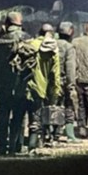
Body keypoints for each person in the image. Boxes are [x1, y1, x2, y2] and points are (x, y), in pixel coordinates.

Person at [0, 12, 30, 155]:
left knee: (3, 115)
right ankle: (15, 146)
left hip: (2, 84)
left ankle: (2, 146)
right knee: (19, 116)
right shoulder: (26, 38)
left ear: (6, 23)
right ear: (20, 23)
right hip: (20, 84)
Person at [21, 24, 61, 155]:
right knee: (36, 117)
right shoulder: (52, 49)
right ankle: (33, 145)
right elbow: (55, 74)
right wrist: (55, 91)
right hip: (39, 87)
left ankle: (14, 145)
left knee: (19, 117)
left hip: (22, 86)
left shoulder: (29, 44)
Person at [55, 21, 80, 143]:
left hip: (51, 82)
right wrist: (71, 86)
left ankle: (53, 134)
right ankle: (70, 135)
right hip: (64, 82)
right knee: (69, 107)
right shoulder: (68, 47)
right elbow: (70, 68)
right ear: (70, 32)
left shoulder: (52, 44)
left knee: (54, 107)